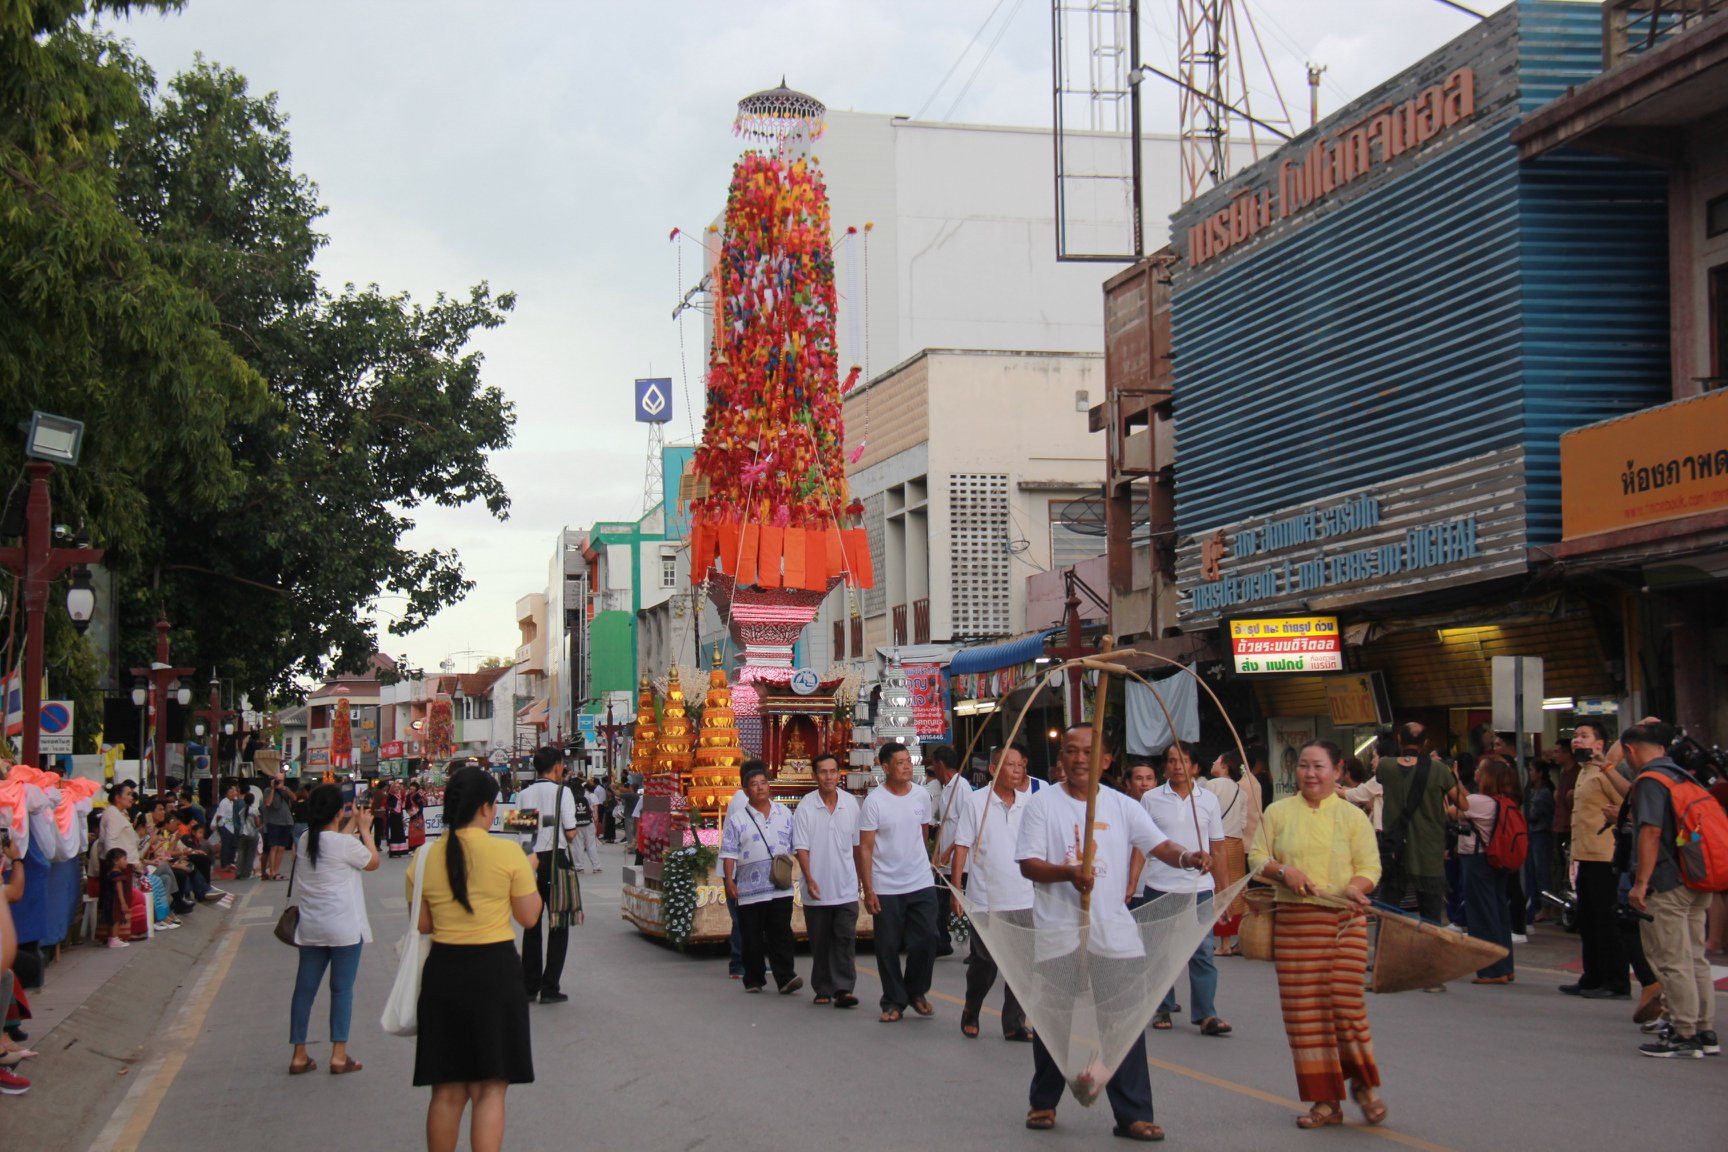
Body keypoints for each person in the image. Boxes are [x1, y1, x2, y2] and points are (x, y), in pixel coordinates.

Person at [1016, 724, 1205, 1142]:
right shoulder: (1042, 805)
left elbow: (1160, 846)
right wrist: (1067, 873)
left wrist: (1189, 856)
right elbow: (1028, 864)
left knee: (1124, 1026)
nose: (1079, 759)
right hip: (1059, 933)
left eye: (1089, 752)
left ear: (1106, 760)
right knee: (1054, 1024)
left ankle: (1133, 1114)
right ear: (1061, 758)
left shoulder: (1123, 806)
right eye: (1071, 751)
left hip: (1114, 934)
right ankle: (1043, 1102)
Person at [1249, 739, 1386, 1129]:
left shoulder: (1352, 817)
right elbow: (1258, 857)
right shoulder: (1276, 813)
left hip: (1344, 921)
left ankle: (1363, 1084)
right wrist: (1283, 872)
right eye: (1304, 766)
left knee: (1346, 1007)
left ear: (1338, 769)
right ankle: (1325, 1101)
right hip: (1295, 925)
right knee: (1304, 1015)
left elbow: (1370, 866)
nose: (1310, 774)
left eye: (1319, 767)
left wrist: (1358, 886)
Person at [411, 767, 540, 1152]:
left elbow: (422, 923)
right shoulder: (507, 852)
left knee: (447, 1092)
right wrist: (529, 873)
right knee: (489, 1089)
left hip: (444, 972)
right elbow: (529, 917)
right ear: (486, 808)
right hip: (495, 973)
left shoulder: (423, 856)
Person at [1622, 722, 1719, 1058]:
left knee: (1673, 959)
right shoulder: (1683, 776)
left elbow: (1650, 832)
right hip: (1697, 876)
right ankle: (1705, 1030)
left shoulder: (1650, 781)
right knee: (1695, 957)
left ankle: (1683, 1031)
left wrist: (1641, 883)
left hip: (1667, 881)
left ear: (1630, 751)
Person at [288, 785, 378, 1075]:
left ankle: (299, 1053)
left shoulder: (304, 840)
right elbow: (373, 862)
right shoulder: (344, 845)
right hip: (344, 928)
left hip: (312, 928)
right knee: (341, 991)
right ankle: (339, 1054)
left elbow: (332, 844)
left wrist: (351, 822)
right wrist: (364, 830)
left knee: (304, 991)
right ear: (338, 811)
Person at [1142, 742, 1229, 1034]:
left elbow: (1218, 846)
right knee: (1159, 952)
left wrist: (1224, 889)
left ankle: (1206, 1014)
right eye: (1171, 761)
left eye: (1183, 761)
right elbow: (1140, 846)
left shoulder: (1208, 800)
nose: (1177, 766)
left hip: (1199, 887)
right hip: (1159, 885)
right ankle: (1162, 1008)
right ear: (1165, 766)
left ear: (1194, 767)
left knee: (1202, 951)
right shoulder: (1151, 799)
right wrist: (1131, 883)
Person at [950, 741, 1033, 1041]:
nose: (1017, 771)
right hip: (985, 898)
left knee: (1021, 966)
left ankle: (1014, 1023)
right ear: (995, 769)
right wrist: (956, 888)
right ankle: (972, 1008)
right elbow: (962, 845)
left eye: (1021, 766)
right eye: (1011, 765)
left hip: (1024, 896)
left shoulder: (1028, 803)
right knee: (985, 963)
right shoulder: (976, 802)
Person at [859, 742, 938, 1022]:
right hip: (886, 884)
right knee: (888, 945)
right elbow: (865, 848)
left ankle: (916, 991)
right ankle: (892, 1001)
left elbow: (923, 833)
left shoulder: (921, 796)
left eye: (908, 761)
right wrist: (869, 889)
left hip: (920, 880)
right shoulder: (874, 802)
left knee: (928, 938)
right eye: (900, 762)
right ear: (885, 767)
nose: (907, 766)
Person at [1563, 720, 1632, 1000]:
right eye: (1575, 735)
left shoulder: (1606, 773)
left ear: (1600, 744)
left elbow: (1628, 802)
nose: (1576, 740)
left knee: (1606, 922)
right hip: (1584, 855)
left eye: (1584, 736)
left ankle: (1615, 980)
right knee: (1588, 920)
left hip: (1605, 856)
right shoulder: (1584, 772)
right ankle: (1591, 976)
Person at [1375, 723, 1465, 937]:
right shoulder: (1440, 770)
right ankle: (1431, 962)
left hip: (1396, 850)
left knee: (1387, 910)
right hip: (1429, 852)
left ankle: (1382, 960)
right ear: (1426, 743)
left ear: (1399, 739)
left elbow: (1380, 778)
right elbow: (1464, 804)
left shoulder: (1385, 766)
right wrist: (1455, 776)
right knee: (1431, 916)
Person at [721, 761, 802, 995]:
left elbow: (796, 846)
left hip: (779, 886)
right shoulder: (738, 819)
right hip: (749, 889)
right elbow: (728, 852)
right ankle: (754, 979)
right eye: (754, 785)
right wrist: (729, 880)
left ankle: (785, 977)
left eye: (763, 783)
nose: (759, 788)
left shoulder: (784, 813)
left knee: (781, 934)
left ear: (770, 787)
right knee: (752, 936)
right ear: (746, 791)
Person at [793, 753, 861, 1008]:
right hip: (817, 888)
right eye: (823, 772)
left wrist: (862, 880)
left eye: (833, 771)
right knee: (820, 941)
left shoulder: (851, 804)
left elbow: (858, 846)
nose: (829, 777)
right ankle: (822, 986)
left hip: (845, 886)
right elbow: (801, 847)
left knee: (845, 938)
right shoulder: (806, 806)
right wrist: (809, 877)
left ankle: (844, 988)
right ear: (815, 776)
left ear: (839, 774)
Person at [515, 747, 579, 1005]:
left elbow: (522, 832)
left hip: (529, 860)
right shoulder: (563, 792)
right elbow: (571, 832)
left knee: (531, 923)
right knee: (558, 923)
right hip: (556, 859)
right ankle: (550, 986)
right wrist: (553, 826)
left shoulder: (523, 794)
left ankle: (529, 986)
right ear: (556, 766)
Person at [1448, 757, 1518, 984]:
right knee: (1498, 912)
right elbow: (1467, 799)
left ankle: (1491, 970)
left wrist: (1449, 782)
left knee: (1481, 914)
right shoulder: (1503, 800)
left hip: (1477, 861)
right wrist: (1457, 781)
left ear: (1487, 777)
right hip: (1496, 860)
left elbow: (1453, 809)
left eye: (1481, 770)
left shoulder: (1478, 802)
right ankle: (1506, 966)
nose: (1477, 772)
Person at [1205, 749, 1258, 956]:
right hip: (1236, 843)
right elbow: (1243, 822)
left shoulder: (1211, 786)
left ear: (1225, 766)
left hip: (1217, 843)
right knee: (1235, 891)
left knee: (1217, 889)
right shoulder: (1241, 791)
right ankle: (1230, 940)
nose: (1213, 761)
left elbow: (1206, 815)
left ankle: (1222, 942)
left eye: (1217, 759)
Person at [927, 744, 966, 959]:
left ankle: (975, 947)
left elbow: (967, 825)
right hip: (944, 857)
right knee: (939, 900)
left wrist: (950, 850)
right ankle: (941, 940)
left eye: (934, 766)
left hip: (958, 858)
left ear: (941, 765)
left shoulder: (962, 788)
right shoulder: (947, 787)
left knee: (962, 901)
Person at [1523, 762, 1555, 924]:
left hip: (1541, 834)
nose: (1529, 773)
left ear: (1540, 773)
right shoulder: (1531, 791)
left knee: (1542, 871)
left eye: (1531, 770)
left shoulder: (1543, 792)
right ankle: (1538, 904)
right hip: (1532, 834)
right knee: (1533, 871)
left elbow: (1533, 814)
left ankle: (1546, 907)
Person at [261, 775, 296, 879]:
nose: (279, 782)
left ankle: (276, 870)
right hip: (273, 822)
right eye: (277, 780)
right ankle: (272, 871)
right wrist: (273, 788)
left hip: (286, 821)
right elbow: (268, 803)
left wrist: (284, 788)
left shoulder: (285, 789)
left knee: (281, 848)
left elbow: (294, 798)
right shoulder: (268, 790)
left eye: (281, 780)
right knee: (274, 847)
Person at [568, 777, 601, 873]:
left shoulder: (571, 799)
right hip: (588, 823)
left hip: (577, 825)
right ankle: (596, 866)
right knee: (591, 845)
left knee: (578, 846)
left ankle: (579, 867)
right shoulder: (585, 799)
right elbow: (590, 811)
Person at [228, 788, 260, 881]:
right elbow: (257, 823)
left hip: (242, 833)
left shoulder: (242, 810)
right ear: (253, 800)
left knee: (241, 853)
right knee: (250, 854)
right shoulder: (254, 810)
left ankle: (238, 872)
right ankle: (247, 873)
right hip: (252, 833)